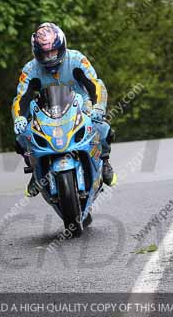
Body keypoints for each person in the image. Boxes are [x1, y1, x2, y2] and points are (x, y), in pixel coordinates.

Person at [12, 22, 117, 197]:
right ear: (36, 52)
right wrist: (20, 118)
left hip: (80, 106)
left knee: (102, 127)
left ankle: (104, 161)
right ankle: (36, 169)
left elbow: (95, 85)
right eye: (44, 54)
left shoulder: (77, 59)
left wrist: (98, 106)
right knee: (22, 137)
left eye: (53, 52)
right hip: (45, 112)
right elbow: (21, 98)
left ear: (61, 45)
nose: (49, 57)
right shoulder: (30, 69)